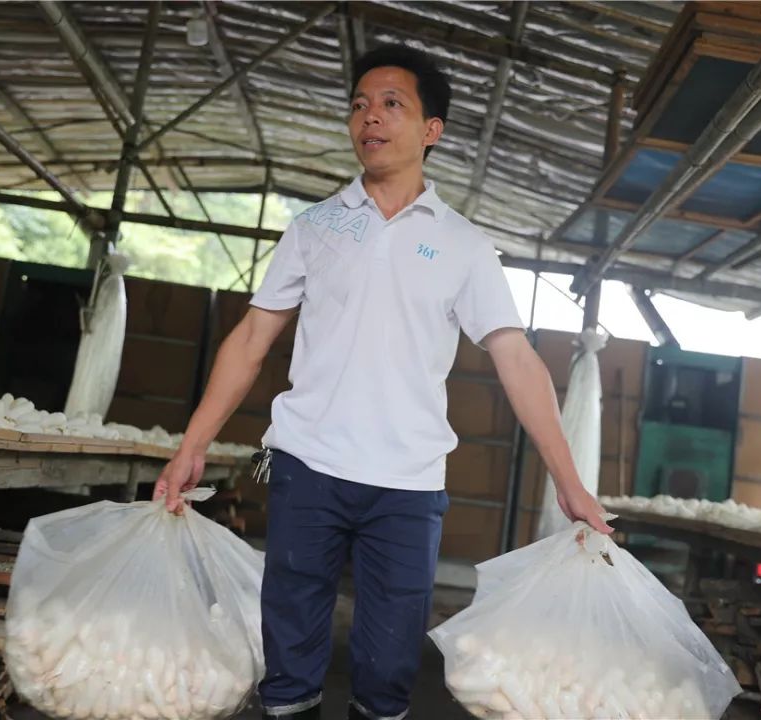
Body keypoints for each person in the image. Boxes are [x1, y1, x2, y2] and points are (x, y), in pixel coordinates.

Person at [153, 44, 611, 720]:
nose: (371, 118)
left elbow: (516, 360)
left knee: (389, 666)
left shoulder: (464, 246)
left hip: (408, 481)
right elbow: (252, 338)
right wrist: (193, 443)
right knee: (289, 656)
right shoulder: (316, 227)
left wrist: (570, 483)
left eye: (392, 104)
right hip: (307, 464)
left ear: (432, 130)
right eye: (360, 105)